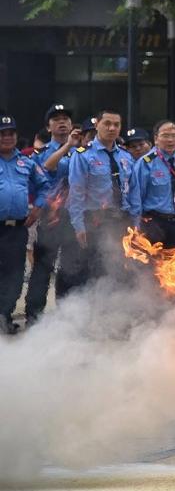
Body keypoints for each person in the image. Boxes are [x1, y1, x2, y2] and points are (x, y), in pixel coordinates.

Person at [25, 105, 84, 322]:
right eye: (56, 119)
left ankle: (66, 315)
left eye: (66, 119)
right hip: (50, 217)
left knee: (71, 267)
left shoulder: (82, 151)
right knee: (43, 266)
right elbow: (48, 170)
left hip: (75, 217)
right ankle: (34, 314)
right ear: (48, 126)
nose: (62, 123)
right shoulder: (40, 154)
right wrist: (67, 145)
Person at [68, 109, 134, 285]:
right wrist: (78, 225)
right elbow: (76, 193)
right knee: (95, 270)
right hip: (95, 220)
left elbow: (132, 192)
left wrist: (135, 221)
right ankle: (93, 310)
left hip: (121, 219)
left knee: (120, 269)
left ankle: (114, 308)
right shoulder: (83, 155)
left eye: (116, 124)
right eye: (107, 124)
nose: (112, 128)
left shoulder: (125, 156)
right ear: (97, 125)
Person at [0, 115, 49, 333]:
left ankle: (4, 316)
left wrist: (37, 208)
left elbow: (45, 186)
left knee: (14, 276)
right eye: (2, 133)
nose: (7, 137)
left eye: (11, 133)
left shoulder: (27, 162)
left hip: (17, 229)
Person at [128, 120, 175, 249]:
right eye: (165, 136)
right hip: (154, 224)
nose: (170, 140)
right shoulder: (146, 163)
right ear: (156, 139)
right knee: (155, 267)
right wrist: (137, 228)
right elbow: (136, 199)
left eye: (174, 136)